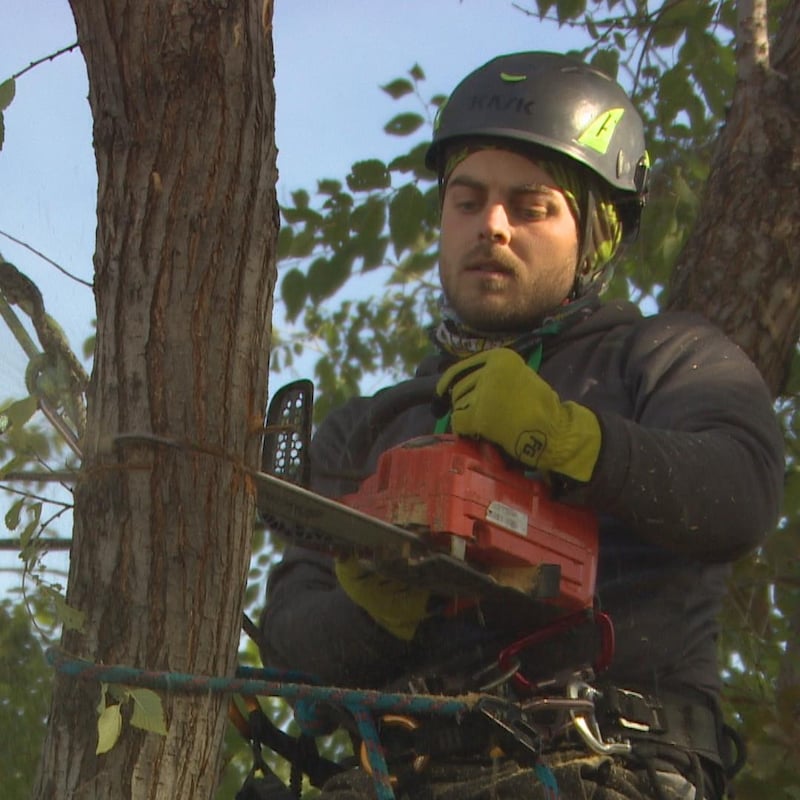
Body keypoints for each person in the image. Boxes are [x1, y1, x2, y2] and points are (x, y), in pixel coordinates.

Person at [257, 52, 784, 800]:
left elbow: (741, 491)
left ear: (597, 233)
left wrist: (571, 438)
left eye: (531, 206)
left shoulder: (665, 358)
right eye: (467, 201)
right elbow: (291, 640)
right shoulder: (373, 426)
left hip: (610, 767)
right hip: (404, 777)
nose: (492, 227)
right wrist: (374, 612)